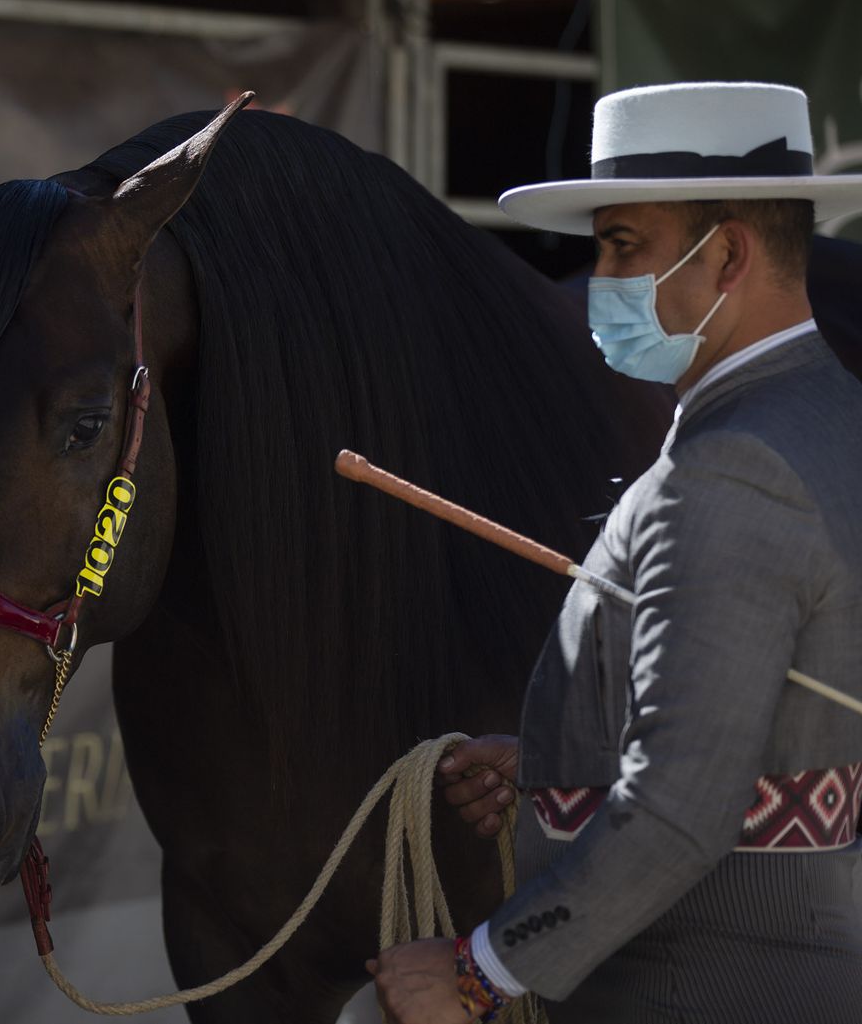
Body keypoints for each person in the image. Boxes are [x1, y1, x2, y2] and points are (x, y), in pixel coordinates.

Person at [369, 82, 862, 1023]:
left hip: (697, 987)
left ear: (726, 253)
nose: (600, 276)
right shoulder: (833, 420)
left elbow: (683, 809)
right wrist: (565, 758)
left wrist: (477, 970)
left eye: (624, 244)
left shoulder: (731, 473)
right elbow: (772, 712)